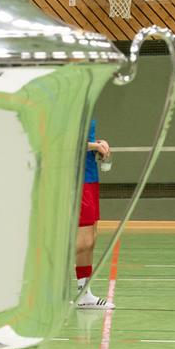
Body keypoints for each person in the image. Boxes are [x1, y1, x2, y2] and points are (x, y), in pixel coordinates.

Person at [76, 119, 113, 309]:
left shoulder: (88, 110)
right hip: (77, 179)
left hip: (90, 176)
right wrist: (95, 145)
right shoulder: (72, 109)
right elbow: (68, 142)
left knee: (91, 239)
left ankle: (84, 293)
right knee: (83, 242)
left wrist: (98, 145)